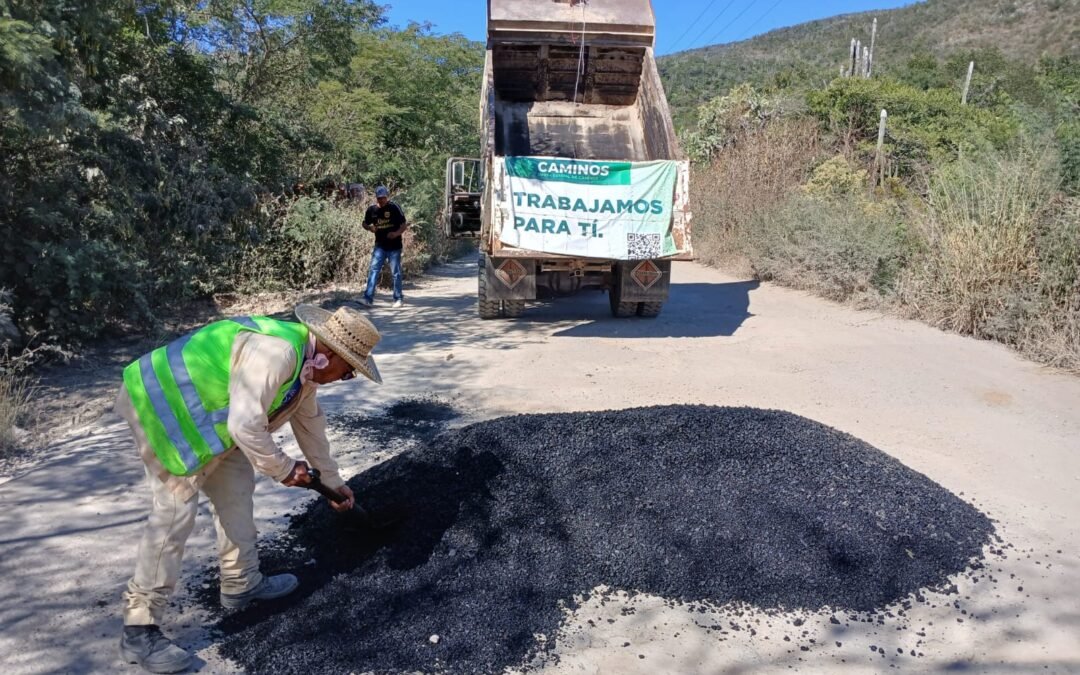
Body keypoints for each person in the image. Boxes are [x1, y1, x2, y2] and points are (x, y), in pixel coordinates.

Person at [116, 305, 382, 673]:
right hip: (162, 407)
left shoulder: (307, 369)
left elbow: (310, 426)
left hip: (210, 421)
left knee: (237, 492)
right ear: (330, 354)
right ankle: (139, 628)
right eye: (349, 370)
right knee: (174, 512)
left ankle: (241, 582)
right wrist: (284, 469)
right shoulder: (278, 353)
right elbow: (244, 426)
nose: (345, 378)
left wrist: (333, 482)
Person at [361, 185, 408, 308]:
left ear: (387, 197)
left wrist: (396, 234)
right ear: (376, 198)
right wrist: (369, 228)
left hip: (394, 246)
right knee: (373, 270)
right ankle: (368, 298)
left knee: (396, 272)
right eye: (379, 198)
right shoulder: (372, 210)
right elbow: (364, 223)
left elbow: (404, 225)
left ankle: (398, 299)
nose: (381, 200)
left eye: (383, 198)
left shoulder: (394, 207)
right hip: (380, 246)